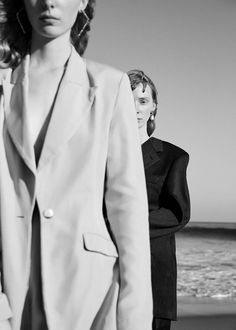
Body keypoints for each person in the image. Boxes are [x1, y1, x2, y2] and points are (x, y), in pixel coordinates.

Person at [0, 1, 153, 329]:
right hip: (9, 293)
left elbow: (129, 209)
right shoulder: (2, 87)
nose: (49, 2)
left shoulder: (110, 86)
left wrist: (135, 315)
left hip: (91, 296)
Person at [127, 69, 190, 330]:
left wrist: (126, 226)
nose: (136, 108)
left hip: (154, 267)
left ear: (153, 108)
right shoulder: (99, 153)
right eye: (128, 100)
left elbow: (177, 213)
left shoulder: (173, 156)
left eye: (143, 101)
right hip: (108, 264)